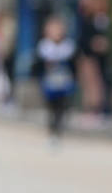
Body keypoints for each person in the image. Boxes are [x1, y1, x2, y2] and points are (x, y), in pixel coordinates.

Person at [32, 15, 78, 144]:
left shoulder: (68, 47)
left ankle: (58, 130)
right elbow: (37, 67)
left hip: (64, 84)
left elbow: (74, 66)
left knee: (62, 107)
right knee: (51, 108)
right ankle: (52, 132)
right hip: (49, 84)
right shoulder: (43, 47)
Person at [75, 0, 112, 119]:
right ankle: (91, 110)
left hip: (98, 57)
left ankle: (99, 109)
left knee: (98, 83)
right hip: (87, 55)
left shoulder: (100, 18)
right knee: (89, 83)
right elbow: (82, 39)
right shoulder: (82, 17)